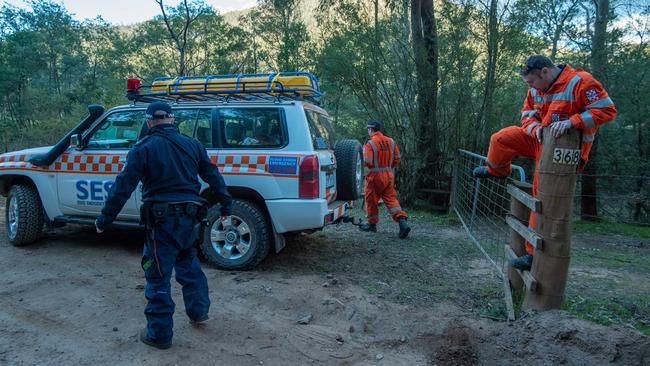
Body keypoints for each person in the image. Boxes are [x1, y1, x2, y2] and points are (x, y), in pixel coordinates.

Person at [95, 101, 233, 350]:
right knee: (189, 265)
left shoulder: (143, 148)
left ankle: (159, 336)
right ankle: (199, 312)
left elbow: (123, 186)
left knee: (157, 276)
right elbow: (214, 175)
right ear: (171, 119)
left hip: (161, 224)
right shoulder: (193, 145)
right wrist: (225, 206)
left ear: (149, 122)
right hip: (190, 220)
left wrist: (104, 219)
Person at [473, 55, 617, 270]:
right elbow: (527, 115)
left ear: (545, 72)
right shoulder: (535, 89)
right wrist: (535, 129)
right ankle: (498, 170)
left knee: (542, 195)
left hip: (563, 150)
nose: (530, 87)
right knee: (500, 139)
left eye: (531, 81)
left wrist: (572, 122)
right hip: (541, 140)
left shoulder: (581, 82)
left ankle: (533, 254)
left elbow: (607, 111)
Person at [359, 119, 411, 239]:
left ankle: (372, 225)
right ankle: (402, 222)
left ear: (370, 129)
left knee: (371, 200)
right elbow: (397, 158)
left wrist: (362, 154)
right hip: (388, 175)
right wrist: (387, 167)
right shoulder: (391, 141)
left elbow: (367, 161)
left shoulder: (370, 144)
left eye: (368, 129)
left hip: (375, 177)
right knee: (391, 200)